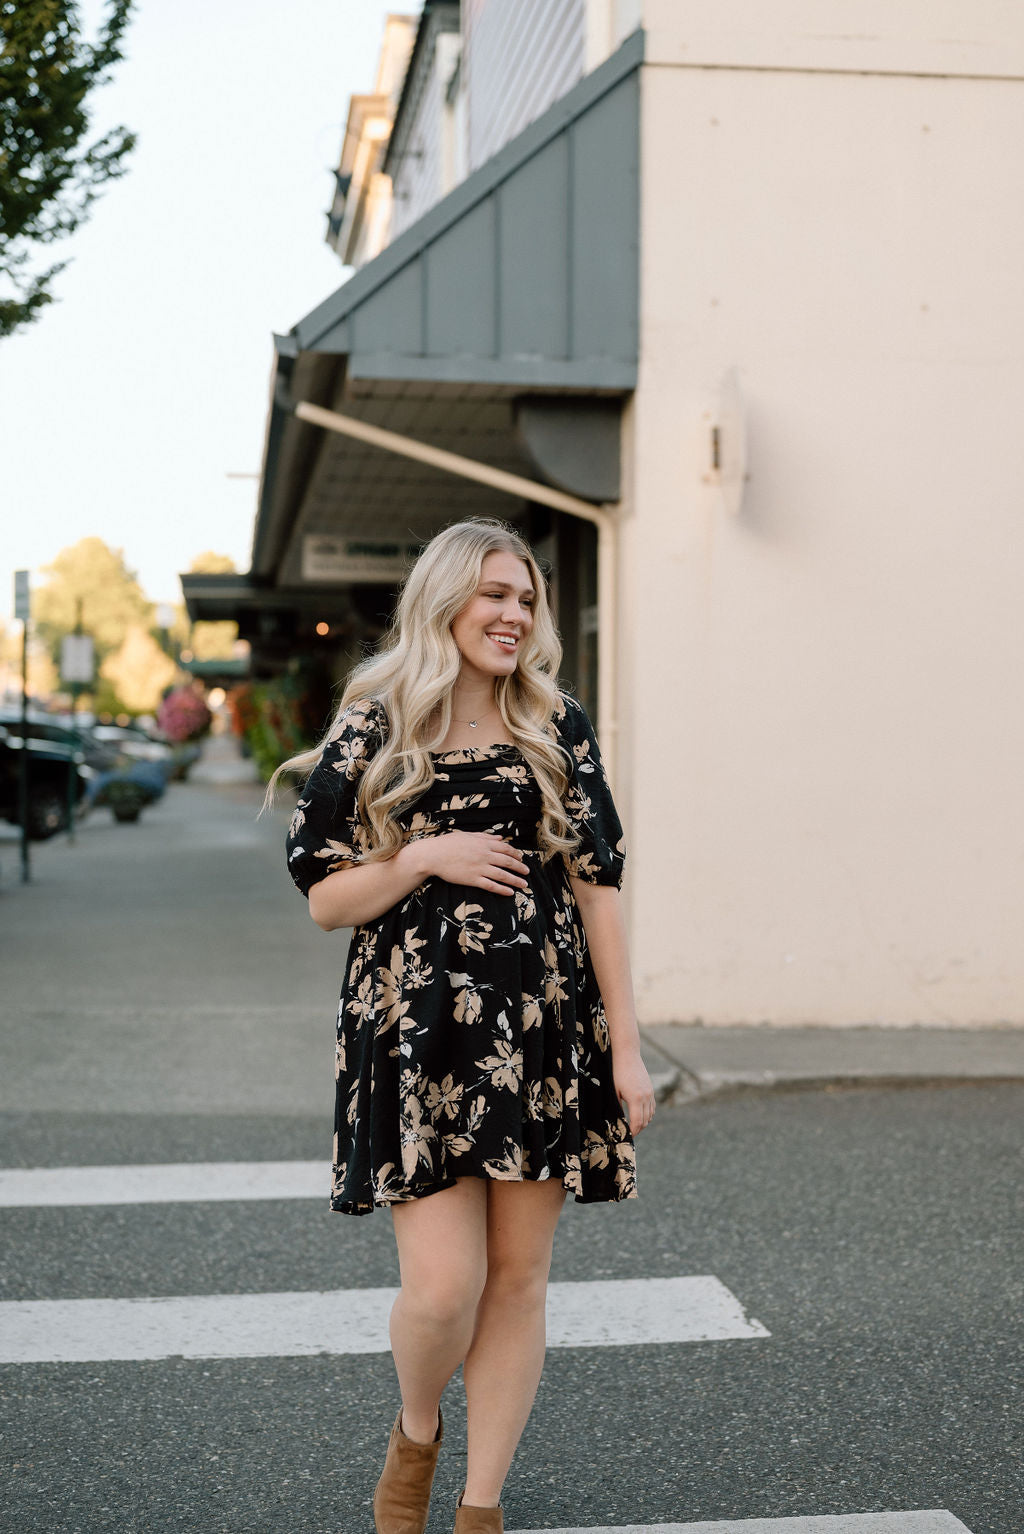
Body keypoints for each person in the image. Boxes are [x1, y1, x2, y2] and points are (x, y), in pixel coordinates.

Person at [272, 518, 655, 1534]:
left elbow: (599, 889)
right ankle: (414, 1425)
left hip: (539, 1030)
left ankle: (479, 1507)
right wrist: (421, 856)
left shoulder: (554, 722)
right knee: (443, 1291)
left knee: (519, 1278)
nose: (515, 614)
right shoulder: (377, 723)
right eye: (495, 594)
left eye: (526, 598)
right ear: (446, 599)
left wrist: (626, 1045)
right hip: (416, 1036)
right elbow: (323, 897)